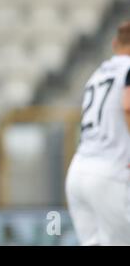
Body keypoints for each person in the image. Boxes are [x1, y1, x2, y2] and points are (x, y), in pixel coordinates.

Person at [65, 21, 130, 245]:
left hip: (78, 171)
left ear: (114, 44)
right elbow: (128, 105)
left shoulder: (98, 73)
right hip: (110, 172)